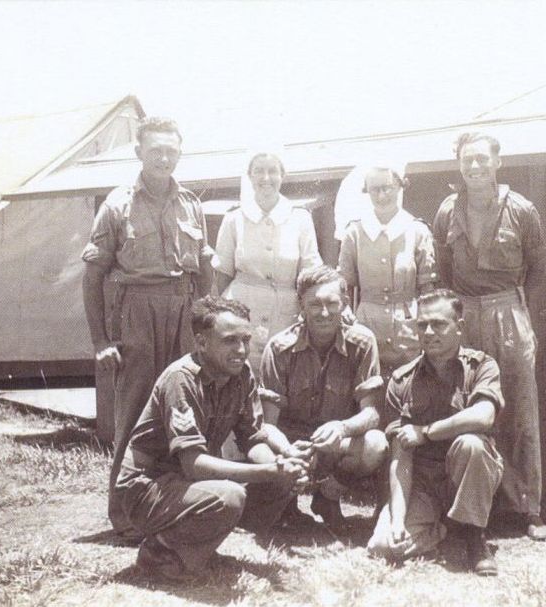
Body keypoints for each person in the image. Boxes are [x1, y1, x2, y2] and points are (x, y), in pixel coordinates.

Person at [113, 296, 310, 581]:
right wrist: (268, 471)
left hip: (185, 485)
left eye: (245, 339)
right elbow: (194, 464)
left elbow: (254, 439)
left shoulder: (241, 373)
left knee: (275, 482)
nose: (241, 350)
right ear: (202, 342)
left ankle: (194, 550)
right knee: (229, 496)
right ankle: (158, 551)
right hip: (146, 488)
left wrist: (281, 469)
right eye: (229, 340)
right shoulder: (181, 379)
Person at [81, 116, 213, 536]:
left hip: (184, 310)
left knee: (183, 407)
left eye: (171, 150)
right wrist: (100, 340)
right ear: (139, 152)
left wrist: (204, 323)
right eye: (155, 150)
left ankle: (178, 506)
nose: (163, 158)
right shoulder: (117, 205)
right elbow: (92, 277)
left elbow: (204, 268)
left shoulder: (191, 204)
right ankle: (124, 516)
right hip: (137, 313)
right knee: (136, 411)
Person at [431, 132, 546, 541]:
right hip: (464, 313)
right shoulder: (448, 210)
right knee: (466, 404)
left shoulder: (521, 209)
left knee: (518, 410)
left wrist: (516, 312)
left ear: (498, 162)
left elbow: (539, 269)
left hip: (507, 313)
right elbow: (444, 269)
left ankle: (528, 508)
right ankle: (473, 507)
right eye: (468, 160)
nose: (475, 167)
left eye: (482, 159)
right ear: (459, 164)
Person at [367, 289, 504, 576]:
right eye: (422, 325)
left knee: (471, 444)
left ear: (459, 327)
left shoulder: (481, 366)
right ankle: (446, 527)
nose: (428, 332)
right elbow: (400, 457)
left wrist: (426, 432)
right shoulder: (401, 380)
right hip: (423, 484)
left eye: (439, 324)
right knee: (383, 546)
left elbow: (484, 415)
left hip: (466, 474)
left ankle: (475, 538)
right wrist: (397, 520)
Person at [260, 265, 388, 528]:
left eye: (331, 303)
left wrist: (342, 428)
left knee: (375, 445)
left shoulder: (362, 343)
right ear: (301, 306)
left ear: (345, 304)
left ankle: (327, 498)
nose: (324, 312)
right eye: (314, 304)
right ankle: (286, 504)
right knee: (263, 448)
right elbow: (267, 424)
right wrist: (288, 450)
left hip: (336, 442)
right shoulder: (278, 348)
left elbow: (372, 413)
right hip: (292, 444)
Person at [212, 152, 323, 371]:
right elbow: (223, 274)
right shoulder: (234, 218)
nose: (266, 178)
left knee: (282, 370)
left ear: (282, 175)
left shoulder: (300, 218)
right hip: (242, 310)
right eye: (259, 171)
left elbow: (311, 273)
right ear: (249, 176)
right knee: (239, 369)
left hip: (286, 314)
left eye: (272, 171)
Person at [336, 164, 437, 377]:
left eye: (387, 188)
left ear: (400, 186)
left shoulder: (417, 230)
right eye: (375, 189)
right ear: (367, 191)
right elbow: (343, 285)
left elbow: (428, 288)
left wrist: (426, 325)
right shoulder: (354, 232)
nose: (382, 195)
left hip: (408, 327)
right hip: (366, 325)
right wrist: (346, 314)